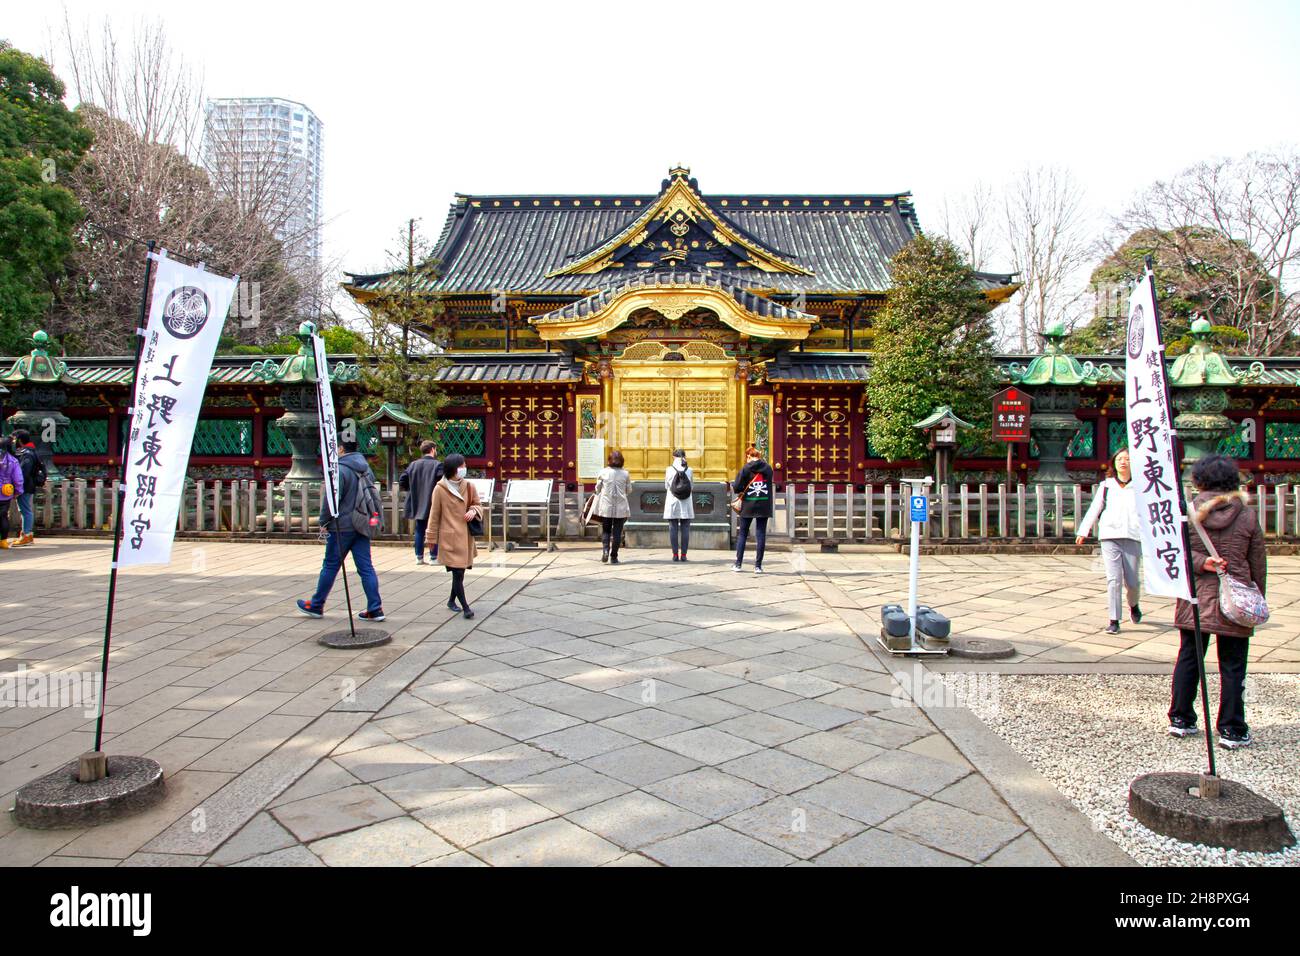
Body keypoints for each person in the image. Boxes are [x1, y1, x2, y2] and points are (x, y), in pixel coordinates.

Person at [1169, 454, 1266, 749]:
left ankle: (1181, 719)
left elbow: (1178, 553)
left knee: (1189, 657)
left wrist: (1202, 562)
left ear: (1199, 481)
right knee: (1233, 664)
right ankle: (1232, 728)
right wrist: (1256, 595)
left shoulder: (1188, 512)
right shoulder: (1247, 514)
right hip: (1235, 594)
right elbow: (1257, 560)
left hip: (1197, 594)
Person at [297, 439, 385, 622]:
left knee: (330, 565)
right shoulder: (365, 468)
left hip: (342, 525)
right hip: (362, 522)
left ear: (342, 449)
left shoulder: (340, 470)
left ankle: (316, 604)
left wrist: (323, 520)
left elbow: (332, 500)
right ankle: (375, 608)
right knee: (366, 567)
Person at [1075, 448, 1143, 633]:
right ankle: (1114, 620)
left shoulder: (1140, 486)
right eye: (1120, 459)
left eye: (1127, 459)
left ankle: (1133, 604)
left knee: (1132, 581)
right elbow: (1095, 509)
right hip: (1109, 536)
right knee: (1114, 579)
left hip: (1133, 536)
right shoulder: (1106, 486)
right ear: (1114, 463)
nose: (1123, 462)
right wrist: (1084, 530)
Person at [425, 453, 483, 619]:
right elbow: (434, 515)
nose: (465, 469)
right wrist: (431, 538)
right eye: (462, 466)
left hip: (465, 537)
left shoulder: (469, 486)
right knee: (457, 572)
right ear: (454, 468)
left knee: (460, 572)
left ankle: (451, 601)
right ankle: (466, 607)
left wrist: (473, 511)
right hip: (449, 537)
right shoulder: (440, 489)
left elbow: (477, 504)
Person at [731, 445, 774, 574]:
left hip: (748, 505)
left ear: (749, 456)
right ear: (759, 456)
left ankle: (738, 564)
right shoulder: (768, 468)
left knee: (743, 534)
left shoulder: (745, 469)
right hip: (763, 504)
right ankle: (758, 566)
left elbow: (737, 487)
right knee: (761, 534)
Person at [400, 439, 443, 564]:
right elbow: (441, 483)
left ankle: (419, 556)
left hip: (417, 500)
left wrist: (412, 489)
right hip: (432, 501)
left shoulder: (413, 465)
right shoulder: (437, 465)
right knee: (433, 529)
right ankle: (433, 556)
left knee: (419, 529)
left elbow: (402, 480)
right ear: (433, 450)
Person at [593, 450, 631, 564]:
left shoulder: (603, 472)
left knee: (606, 530)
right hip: (620, 506)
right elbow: (628, 490)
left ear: (609, 460)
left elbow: (597, 489)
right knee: (617, 532)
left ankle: (605, 551)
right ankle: (614, 556)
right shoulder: (625, 474)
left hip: (606, 506)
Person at [664, 448, 694, 562]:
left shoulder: (669, 469)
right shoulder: (689, 470)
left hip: (672, 501)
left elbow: (667, 486)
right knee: (686, 528)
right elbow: (692, 486)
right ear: (684, 457)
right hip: (686, 501)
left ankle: (675, 554)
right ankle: (684, 555)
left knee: (673, 527)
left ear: (673, 457)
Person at [10, 429, 38, 546]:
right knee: (25, 510)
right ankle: (28, 535)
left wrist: (17, 487)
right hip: (27, 484)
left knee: (25, 510)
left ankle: (26, 535)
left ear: (20, 440)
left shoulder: (27, 454)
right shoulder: (28, 451)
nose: (13, 442)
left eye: (15, 439)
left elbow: (24, 472)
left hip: (25, 485)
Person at [0, 437, 22, 551]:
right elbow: (18, 479)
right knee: (3, 516)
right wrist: (18, 491)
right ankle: (3, 541)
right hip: (5, 491)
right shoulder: (13, 460)